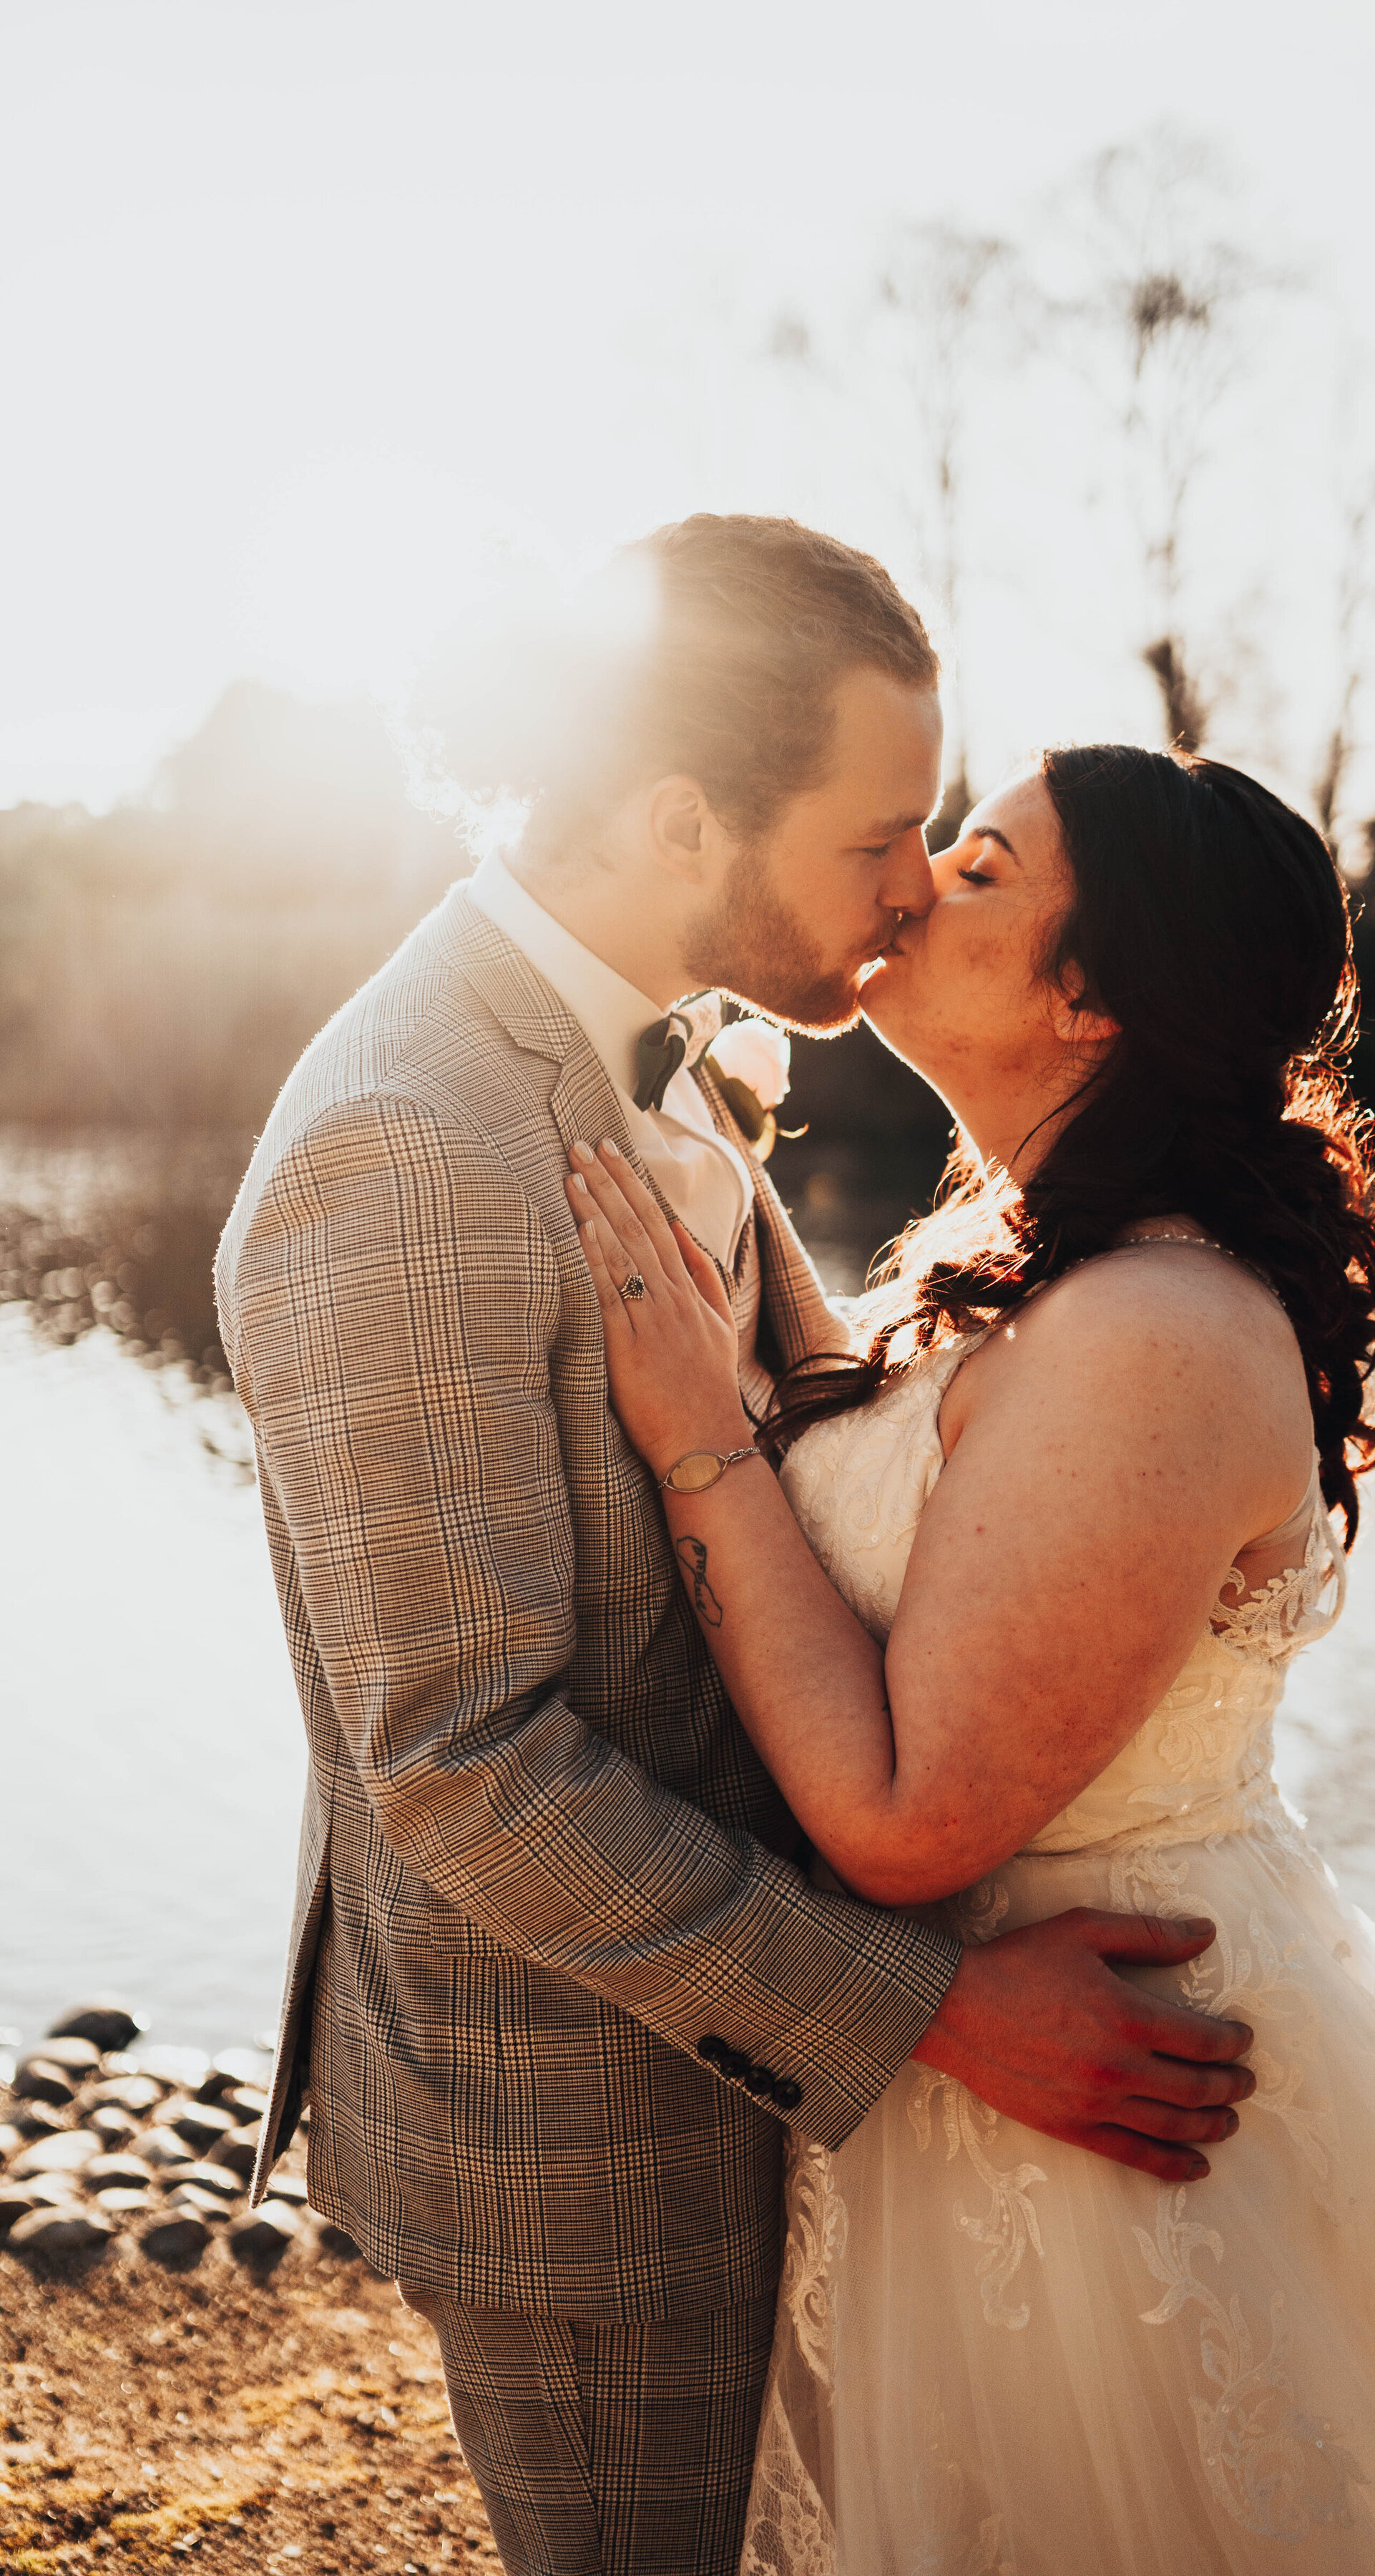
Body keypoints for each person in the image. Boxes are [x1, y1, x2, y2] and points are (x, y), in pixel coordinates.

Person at [213, 518, 1255, 2576]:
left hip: (766, 2078)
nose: (907, 889)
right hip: (585, 2137)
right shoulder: (406, 1152)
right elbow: (463, 1766)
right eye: (883, 836)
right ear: (686, 815)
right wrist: (940, 2011)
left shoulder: (664, 1050)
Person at [571, 741, 1375, 2573]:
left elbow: (901, 1816)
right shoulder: (1018, 1253)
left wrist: (697, 1438)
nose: (912, 875)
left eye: (981, 865)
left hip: (1108, 2114)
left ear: (1092, 995)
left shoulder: (1158, 1332)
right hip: (974, 2071)